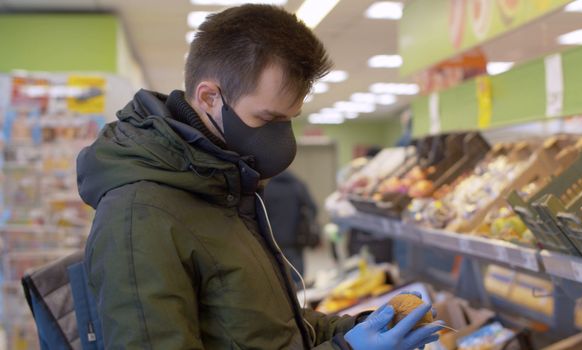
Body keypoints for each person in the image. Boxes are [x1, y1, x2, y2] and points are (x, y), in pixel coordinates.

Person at [76, 4, 443, 349]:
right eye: (268, 119)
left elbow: (270, 329)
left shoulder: (223, 187)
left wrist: (364, 326)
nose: (280, 140)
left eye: (290, 119)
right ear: (208, 98)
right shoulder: (140, 215)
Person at [264, 170, 319, 287]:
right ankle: (298, 297)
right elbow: (312, 208)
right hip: (297, 238)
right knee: (297, 275)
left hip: (273, 238)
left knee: (277, 274)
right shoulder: (297, 185)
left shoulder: (267, 188)